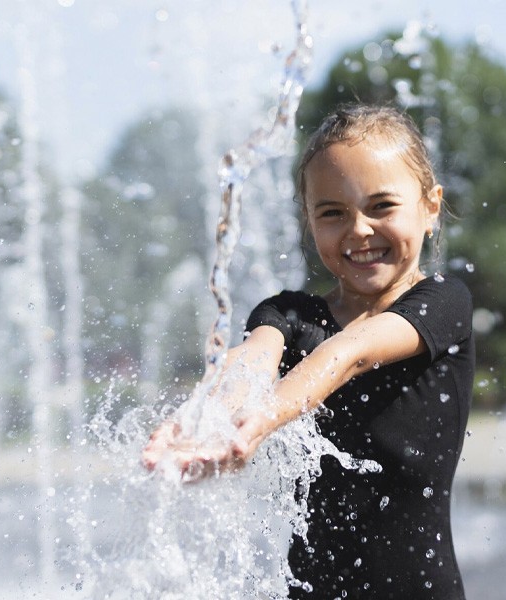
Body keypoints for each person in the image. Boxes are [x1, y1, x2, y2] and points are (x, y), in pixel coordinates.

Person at [142, 103, 474, 599]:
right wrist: (202, 419)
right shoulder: (289, 314)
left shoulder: (443, 302)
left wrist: (261, 418)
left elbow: (351, 353)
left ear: (430, 208)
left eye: (382, 206)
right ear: (309, 222)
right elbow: (250, 362)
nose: (359, 229)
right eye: (333, 213)